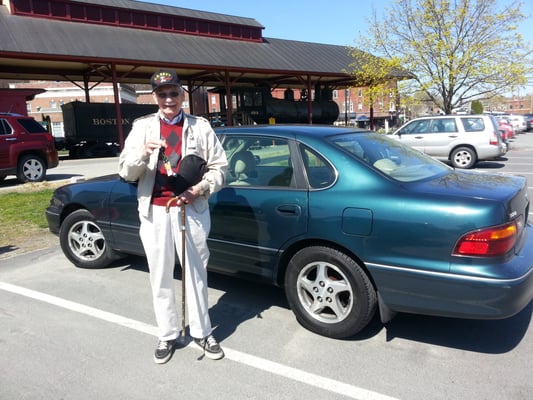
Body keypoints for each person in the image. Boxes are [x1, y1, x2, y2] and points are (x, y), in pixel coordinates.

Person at [118, 69, 228, 364]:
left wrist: (201, 188)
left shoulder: (201, 127)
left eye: (174, 93)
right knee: (161, 275)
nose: (169, 99)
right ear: (155, 97)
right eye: (162, 94)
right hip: (155, 212)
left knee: (196, 273)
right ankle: (167, 334)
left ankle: (202, 331)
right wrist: (143, 153)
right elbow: (125, 171)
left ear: (182, 95)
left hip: (190, 209)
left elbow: (221, 168)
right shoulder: (142, 128)